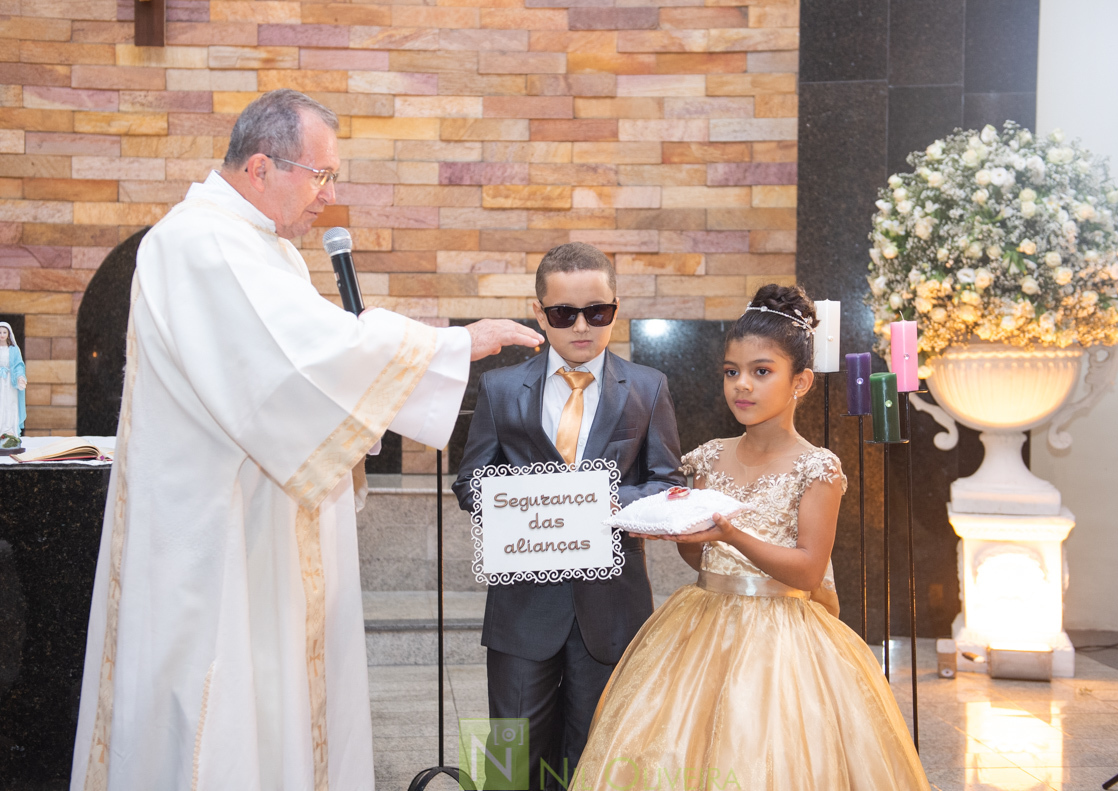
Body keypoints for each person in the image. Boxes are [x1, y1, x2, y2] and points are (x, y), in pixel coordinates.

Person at [69, 90, 542, 791]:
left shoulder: (261, 246)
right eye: (321, 175)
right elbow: (304, 361)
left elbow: (309, 363)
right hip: (217, 538)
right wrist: (454, 344)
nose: (330, 195)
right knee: (228, 708)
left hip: (261, 521)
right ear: (262, 166)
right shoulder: (199, 241)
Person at [570, 284, 930, 791]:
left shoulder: (817, 467)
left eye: (762, 372)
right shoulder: (709, 456)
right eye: (731, 371)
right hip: (701, 622)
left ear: (800, 381)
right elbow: (703, 560)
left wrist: (733, 534)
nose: (742, 385)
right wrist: (680, 531)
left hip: (783, 636)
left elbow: (808, 570)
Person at [452, 242, 685, 790]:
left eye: (596, 312)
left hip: (612, 608)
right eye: (564, 313)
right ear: (539, 313)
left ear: (615, 309)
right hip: (522, 605)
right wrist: (527, 503)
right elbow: (468, 483)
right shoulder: (500, 388)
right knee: (510, 755)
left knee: (597, 750)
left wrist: (609, 502)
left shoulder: (647, 386)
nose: (582, 326)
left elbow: (667, 483)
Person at [0, 322, 27, 447]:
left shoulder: (14, 350)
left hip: (10, 382)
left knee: (10, 404)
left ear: (8, 334)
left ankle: (9, 431)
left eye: (4, 332)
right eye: (0, 332)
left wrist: (20, 377)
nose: (2, 335)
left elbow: (18, 365)